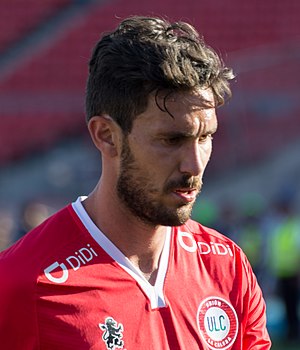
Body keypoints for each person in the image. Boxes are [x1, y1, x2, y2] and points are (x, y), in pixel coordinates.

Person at [0, 16, 271, 349]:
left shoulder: (227, 267)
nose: (195, 164)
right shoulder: (21, 284)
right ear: (107, 136)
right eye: (172, 140)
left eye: (206, 137)